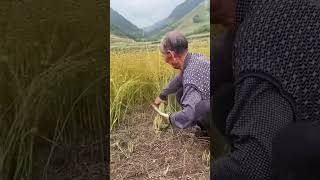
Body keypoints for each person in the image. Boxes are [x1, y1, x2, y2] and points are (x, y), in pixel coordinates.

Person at [211, 0, 320, 179]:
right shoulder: (261, 8)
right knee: (225, 100)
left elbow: (253, 167)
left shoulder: (263, 33)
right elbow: (221, 59)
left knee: (292, 149)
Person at [153, 31, 210, 134]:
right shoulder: (195, 58)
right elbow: (179, 79)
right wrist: (162, 95)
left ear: (171, 54)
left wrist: (169, 119)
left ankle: (209, 131)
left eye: (164, 56)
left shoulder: (191, 74)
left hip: (224, 112)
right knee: (181, 93)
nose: (165, 60)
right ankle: (204, 125)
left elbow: (189, 114)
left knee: (201, 108)